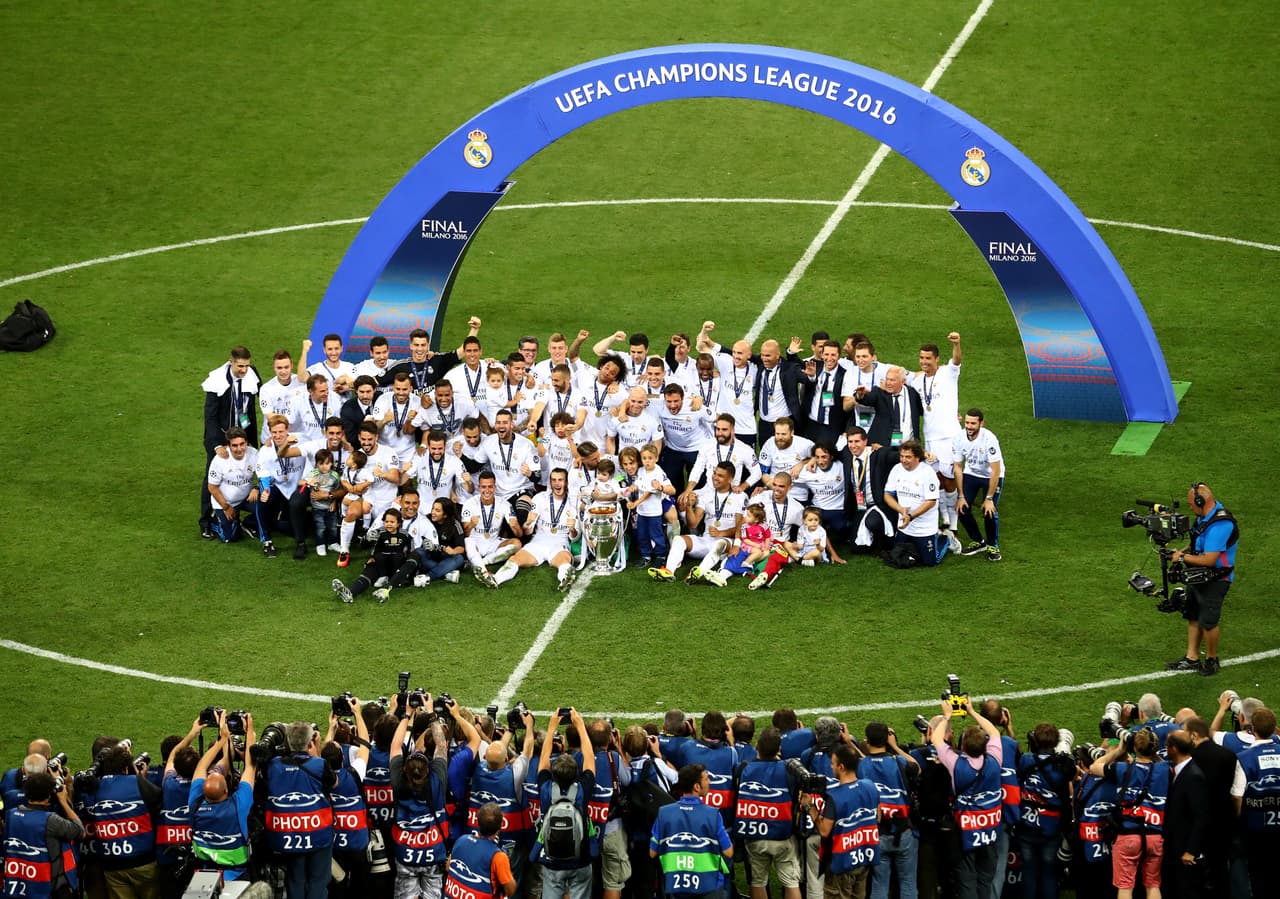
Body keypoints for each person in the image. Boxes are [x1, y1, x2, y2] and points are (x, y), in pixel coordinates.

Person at [930, 696, 1003, 899]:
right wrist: (972, 712)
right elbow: (994, 732)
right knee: (985, 878)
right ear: (985, 746)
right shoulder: (995, 760)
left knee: (967, 879)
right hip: (990, 829)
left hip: (966, 831)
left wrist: (946, 717)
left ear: (962, 748)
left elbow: (936, 739)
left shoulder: (956, 764)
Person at [1165, 482, 1239, 676]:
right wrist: (1183, 552)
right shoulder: (1205, 516)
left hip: (1216, 578)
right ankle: (1192, 658)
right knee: (1193, 614)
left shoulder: (1221, 524)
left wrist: (1181, 558)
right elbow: (1198, 544)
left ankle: (1211, 659)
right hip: (1199, 575)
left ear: (1201, 501)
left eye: (1192, 503)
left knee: (1208, 622)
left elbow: (1209, 559)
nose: (1190, 507)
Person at [1088, 727, 1169, 899]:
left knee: (1125, 887)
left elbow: (1094, 767)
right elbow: (1159, 762)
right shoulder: (1165, 769)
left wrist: (1119, 750)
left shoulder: (1123, 769)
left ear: (1134, 748)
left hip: (1128, 836)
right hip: (1154, 836)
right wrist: (1151, 751)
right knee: (1153, 885)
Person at [263, 721, 338, 899]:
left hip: (289, 834)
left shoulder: (273, 765)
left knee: (295, 881)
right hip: (317, 832)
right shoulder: (319, 764)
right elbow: (334, 783)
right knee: (318, 882)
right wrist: (317, 748)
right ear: (310, 742)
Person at [79, 742, 164, 897]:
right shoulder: (136, 782)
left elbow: (88, 809)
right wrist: (140, 776)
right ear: (126, 769)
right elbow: (158, 799)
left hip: (112, 866)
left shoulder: (95, 788)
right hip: (143, 862)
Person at [188, 711, 258, 885]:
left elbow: (201, 767)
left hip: (204, 874)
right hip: (236, 875)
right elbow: (250, 765)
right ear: (227, 790)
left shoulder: (195, 803)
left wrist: (222, 741)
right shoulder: (237, 807)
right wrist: (249, 731)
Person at [532, 709, 596, 899]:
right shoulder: (582, 789)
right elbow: (590, 757)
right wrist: (580, 725)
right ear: (576, 773)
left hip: (552, 857)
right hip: (581, 857)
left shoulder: (545, 788)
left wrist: (551, 728)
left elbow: (542, 761)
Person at [389, 707, 450, 899]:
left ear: (405, 770)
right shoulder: (437, 781)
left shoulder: (399, 783)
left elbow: (395, 746)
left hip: (406, 854)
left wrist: (407, 714)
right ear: (428, 770)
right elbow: (441, 746)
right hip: (433, 853)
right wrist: (433, 717)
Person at [734, 727, 802, 899]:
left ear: (757, 746)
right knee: (791, 882)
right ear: (779, 749)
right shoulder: (788, 770)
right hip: (782, 833)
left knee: (758, 881)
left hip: (755, 833)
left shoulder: (744, 768)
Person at [200, 346, 260, 539]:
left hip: (243, 435)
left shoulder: (251, 374)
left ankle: (242, 511)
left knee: (246, 471)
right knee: (212, 477)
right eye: (240, 366)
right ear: (231, 362)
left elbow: (255, 403)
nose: (244, 370)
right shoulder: (216, 381)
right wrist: (217, 445)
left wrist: (250, 441)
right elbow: (210, 417)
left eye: (247, 366)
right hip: (222, 437)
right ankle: (206, 521)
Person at [650, 764, 733, 899]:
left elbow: (652, 852)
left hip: (676, 887)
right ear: (696, 786)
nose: (709, 782)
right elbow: (728, 852)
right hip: (710, 887)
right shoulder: (713, 814)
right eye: (706, 779)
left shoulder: (664, 813)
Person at [653, 461, 743, 586]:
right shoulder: (707, 495)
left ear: (730, 479)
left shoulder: (740, 497)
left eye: (720, 476)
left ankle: (698, 572)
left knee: (719, 543)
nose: (715, 478)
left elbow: (741, 526)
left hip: (726, 542)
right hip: (706, 540)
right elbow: (693, 524)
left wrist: (722, 533)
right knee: (679, 539)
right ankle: (669, 571)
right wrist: (689, 506)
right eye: (714, 473)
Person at [907, 334, 963, 532]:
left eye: (928, 358)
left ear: (937, 359)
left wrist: (956, 343)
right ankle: (945, 519)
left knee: (949, 480)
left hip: (948, 436)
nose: (924, 362)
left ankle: (954, 524)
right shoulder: (917, 379)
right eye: (921, 358)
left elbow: (957, 359)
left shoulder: (948, 373)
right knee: (936, 479)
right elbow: (896, 376)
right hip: (929, 437)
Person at [857, 723, 920, 899]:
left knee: (879, 885)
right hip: (903, 831)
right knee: (908, 883)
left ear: (867, 740)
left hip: (876, 833)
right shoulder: (898, 762)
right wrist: (894, 746)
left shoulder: (861, 765)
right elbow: (917, 768)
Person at [490, 468, 579, 591]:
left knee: (564, 561)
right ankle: (495, 579)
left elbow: (575, 537)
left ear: (566, 483)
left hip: (559, 543)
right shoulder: (540, 498)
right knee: (515, 559)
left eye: (560, 480)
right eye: (554, 480)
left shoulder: (573, 503)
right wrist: (528, 523)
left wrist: (573, 529)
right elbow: (528, 532)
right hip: (538, 542)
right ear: (550, 482)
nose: (557, 483)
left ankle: (566, 579)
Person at [2, 770, 84, 899]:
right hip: (50, 888)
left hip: (21, 884)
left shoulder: (11, 815)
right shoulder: (51, 821)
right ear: (49, 796)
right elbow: (79, 831)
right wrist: (63, 801)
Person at [1017, 723, 1074, 899]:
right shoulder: (1061, 767)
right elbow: (1068, 792)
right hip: (1050, 827)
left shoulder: (1026, 760)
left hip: (1026, 826)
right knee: (1049, 872)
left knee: (1028, 871)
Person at [883, 440, 948, 566]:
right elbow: (887, 495)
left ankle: (945, 539)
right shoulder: (896, 469)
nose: (903, 460)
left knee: (931, 562)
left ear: (918, 457)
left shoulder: (928, 473)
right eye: (902, 456)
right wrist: (901, 510)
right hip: (904, 526)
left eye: (908, 457)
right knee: (898, 554)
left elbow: (931, 502)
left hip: (925, 528)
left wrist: (911, 516)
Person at [1160, 731, 1209, 899]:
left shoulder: (1194, 776)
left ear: (1174, 748)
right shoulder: (1181, 770)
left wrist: (1191, 850)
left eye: (1167, 746)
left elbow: (1201, 816)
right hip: (1175, 848)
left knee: (1186, 892)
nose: (1165, 749)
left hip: (1185, 851)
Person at [951, 409, 1004, 562]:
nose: (969, 426)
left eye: (973, 423)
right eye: (967, 422)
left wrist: (988, 498)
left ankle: (993, 545)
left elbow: (996, 471)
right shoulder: (959, 438)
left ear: (981, 423)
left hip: (991, 476)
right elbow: (958, 467)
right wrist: (960, 496)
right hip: (972, 474)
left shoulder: (989, 439)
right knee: (961, 507)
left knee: (989, 510)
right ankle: (979, 541)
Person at [332, 507, 416, 603]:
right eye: (386, 521)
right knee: (367, 574)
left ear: (399, 523)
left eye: (392, 522)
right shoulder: (378, 533)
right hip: (379, 563)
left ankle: (386, 579)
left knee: (398, 556)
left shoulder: (404, 535)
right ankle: (350, 593)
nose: (388, 524)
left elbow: (411, 550)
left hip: (395, 565)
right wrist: (367, 538)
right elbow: (363, 546)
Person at [1238, 707, 1280, 898]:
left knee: (1258, 876)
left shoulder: (1243, 758)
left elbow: (1236, 797)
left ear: (1252, 728)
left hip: (1255, 829)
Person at [445, 803, 518, 899]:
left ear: (477, 822)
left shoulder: (461, 840)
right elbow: (511, 890)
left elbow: (447, 867)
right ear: (500, 827)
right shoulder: (499, 857)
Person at [463, 471, 523, 586]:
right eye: (484, 487)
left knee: (517, 543)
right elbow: (465, 533)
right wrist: (471, 524)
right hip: (475, 543)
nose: (487, 490)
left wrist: (515, 526)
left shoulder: (504, 504)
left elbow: (519, 534)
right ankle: (484, 572)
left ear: (495, 487)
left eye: (490, 487)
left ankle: (483, 562)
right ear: (479, 487)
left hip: (493, 543)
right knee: (467, 541)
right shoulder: (469, 504)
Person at [206, 426, 261, 546]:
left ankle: (247, 523)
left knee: (266, 507)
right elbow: (212, 487)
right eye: (235, 445)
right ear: (228, 446)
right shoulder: (219, 460)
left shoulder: (254, 454)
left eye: (242, 444)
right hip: (226, 502)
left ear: (246, 443)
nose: (239, 449)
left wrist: (256, 487)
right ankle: (215, 522)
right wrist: (226, 507)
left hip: (246, 498)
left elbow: (264, 475)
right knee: (230, 537)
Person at [799, 340, 855, 447]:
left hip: (831, 427)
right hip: (810, 424)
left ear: (839, 356)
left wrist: (846, 431)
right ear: (822, 355)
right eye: (826, 354)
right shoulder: (815, 367)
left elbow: (848, 407)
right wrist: (811, 377)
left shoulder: (845, 376)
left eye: (833, 355)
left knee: (824, 459)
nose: (829, 358)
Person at [411, 498, 467, 586]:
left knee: (459, 558)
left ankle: (428, 577)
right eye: (433, 508)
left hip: (447, 557)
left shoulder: (455, 524)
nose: (433, 512)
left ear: (445, 515)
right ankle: (446, 574)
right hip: (432, 555)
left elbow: (461, 548)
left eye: (437, 510)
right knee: (419, 551)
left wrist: (453, 551)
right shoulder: (426, 520)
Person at [257, 349, 306, 444]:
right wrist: (291, 419)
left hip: (296, 437)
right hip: (273, 439)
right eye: (279, 368)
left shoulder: (302, 383)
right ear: (274, 368)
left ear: (292, 366)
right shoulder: (266, 389)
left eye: (286, 367)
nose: (283, 371)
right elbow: (270, 415)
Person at [305, 333, 357, 398]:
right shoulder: (316, 369)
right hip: (324, 406)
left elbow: (361, 386)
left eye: (336, 348)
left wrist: (346, 386)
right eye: (330, 349)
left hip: (346, 407)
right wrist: (304, 351)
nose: (334, 352)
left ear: (341, 348)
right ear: (324, 350)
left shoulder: (350, 367)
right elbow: (302, 379)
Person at [340, 374, 380, 445]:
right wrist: (364, 425)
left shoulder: (381, 399)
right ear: (356, 391)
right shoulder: (347, 409)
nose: (365, 396)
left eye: (368, 391)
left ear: (374, 390)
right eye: (362, 392)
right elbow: (351, 438)